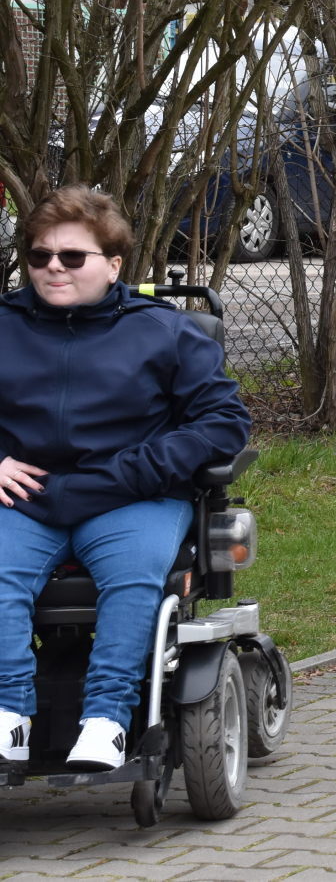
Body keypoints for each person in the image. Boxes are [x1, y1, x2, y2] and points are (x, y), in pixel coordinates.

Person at [0, 186, 251, 771]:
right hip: (28, 497)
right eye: (40, 256)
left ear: (113, 265)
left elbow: (224, 422)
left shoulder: (165, 331)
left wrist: (139, 469)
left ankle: (107, 720)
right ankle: (9, 714)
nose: (54, 267)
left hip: (132, 495)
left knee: (133, 577)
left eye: (72, 256)